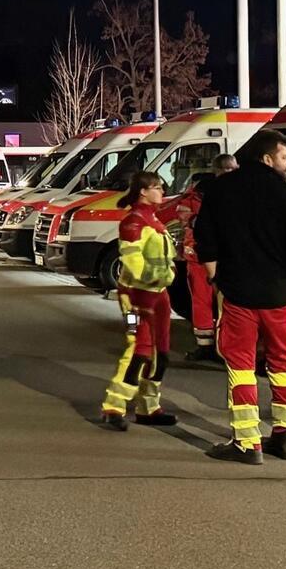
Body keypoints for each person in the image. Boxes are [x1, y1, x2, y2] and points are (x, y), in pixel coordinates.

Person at [193, 130, 286, 465]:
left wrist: (215, 277)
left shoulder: (220, 189)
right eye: (284, 156)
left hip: (237, 294)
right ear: (267, 159)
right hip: (281, 294)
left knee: (241, 366)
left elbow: (204, 238)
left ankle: (247, 442)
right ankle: (285, 435)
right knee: (284, 365)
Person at [100, 171, 178, 431]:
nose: (162, 191)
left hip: (158, 295)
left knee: (161, 353)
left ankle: (149, 407)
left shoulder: (152, 219)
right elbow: (133, 263)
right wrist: (157, 278)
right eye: (157, 187)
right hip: (135, 298)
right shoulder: (134, 221)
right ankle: (114, 406)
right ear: (143, 191)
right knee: (138, 350)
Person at [166, 153, 238, 360]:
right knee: (209, 300)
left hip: (205, 255)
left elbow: (187, 216)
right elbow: (188, 218)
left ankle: (214, 345)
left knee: (208, 301)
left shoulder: (198, 192)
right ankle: (211, 345)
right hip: (206, 255)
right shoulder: (201, 193)